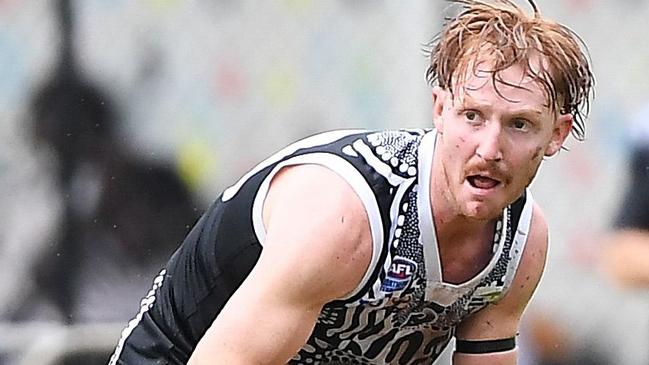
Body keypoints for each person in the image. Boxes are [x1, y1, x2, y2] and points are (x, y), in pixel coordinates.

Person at [108, 0, 594, 364]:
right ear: (440, 110)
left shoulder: (522, 244)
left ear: (557, 133)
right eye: (473, 116)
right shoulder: (345, 216)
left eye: (519, 125)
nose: (489, 148)